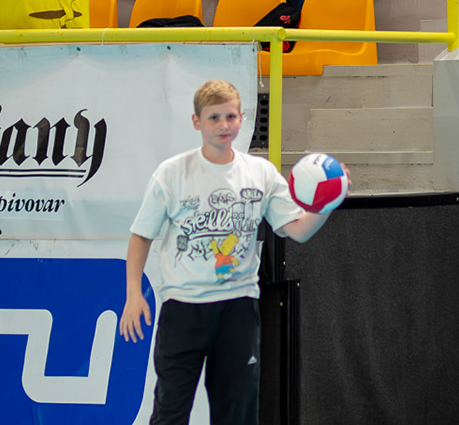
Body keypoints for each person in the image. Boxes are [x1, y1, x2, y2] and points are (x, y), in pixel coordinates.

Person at [120, 79, 341, 425]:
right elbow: (140, 237)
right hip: (183, 309)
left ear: (241, 118)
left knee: (237, 414)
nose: (224, 125)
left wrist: (327, 204)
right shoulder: (172, 174)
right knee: (170, 412)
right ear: (196, 121)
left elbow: (297, 230)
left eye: (231, 116)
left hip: (238, 308)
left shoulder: (261, 173)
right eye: (214, 118)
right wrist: (134, 295)